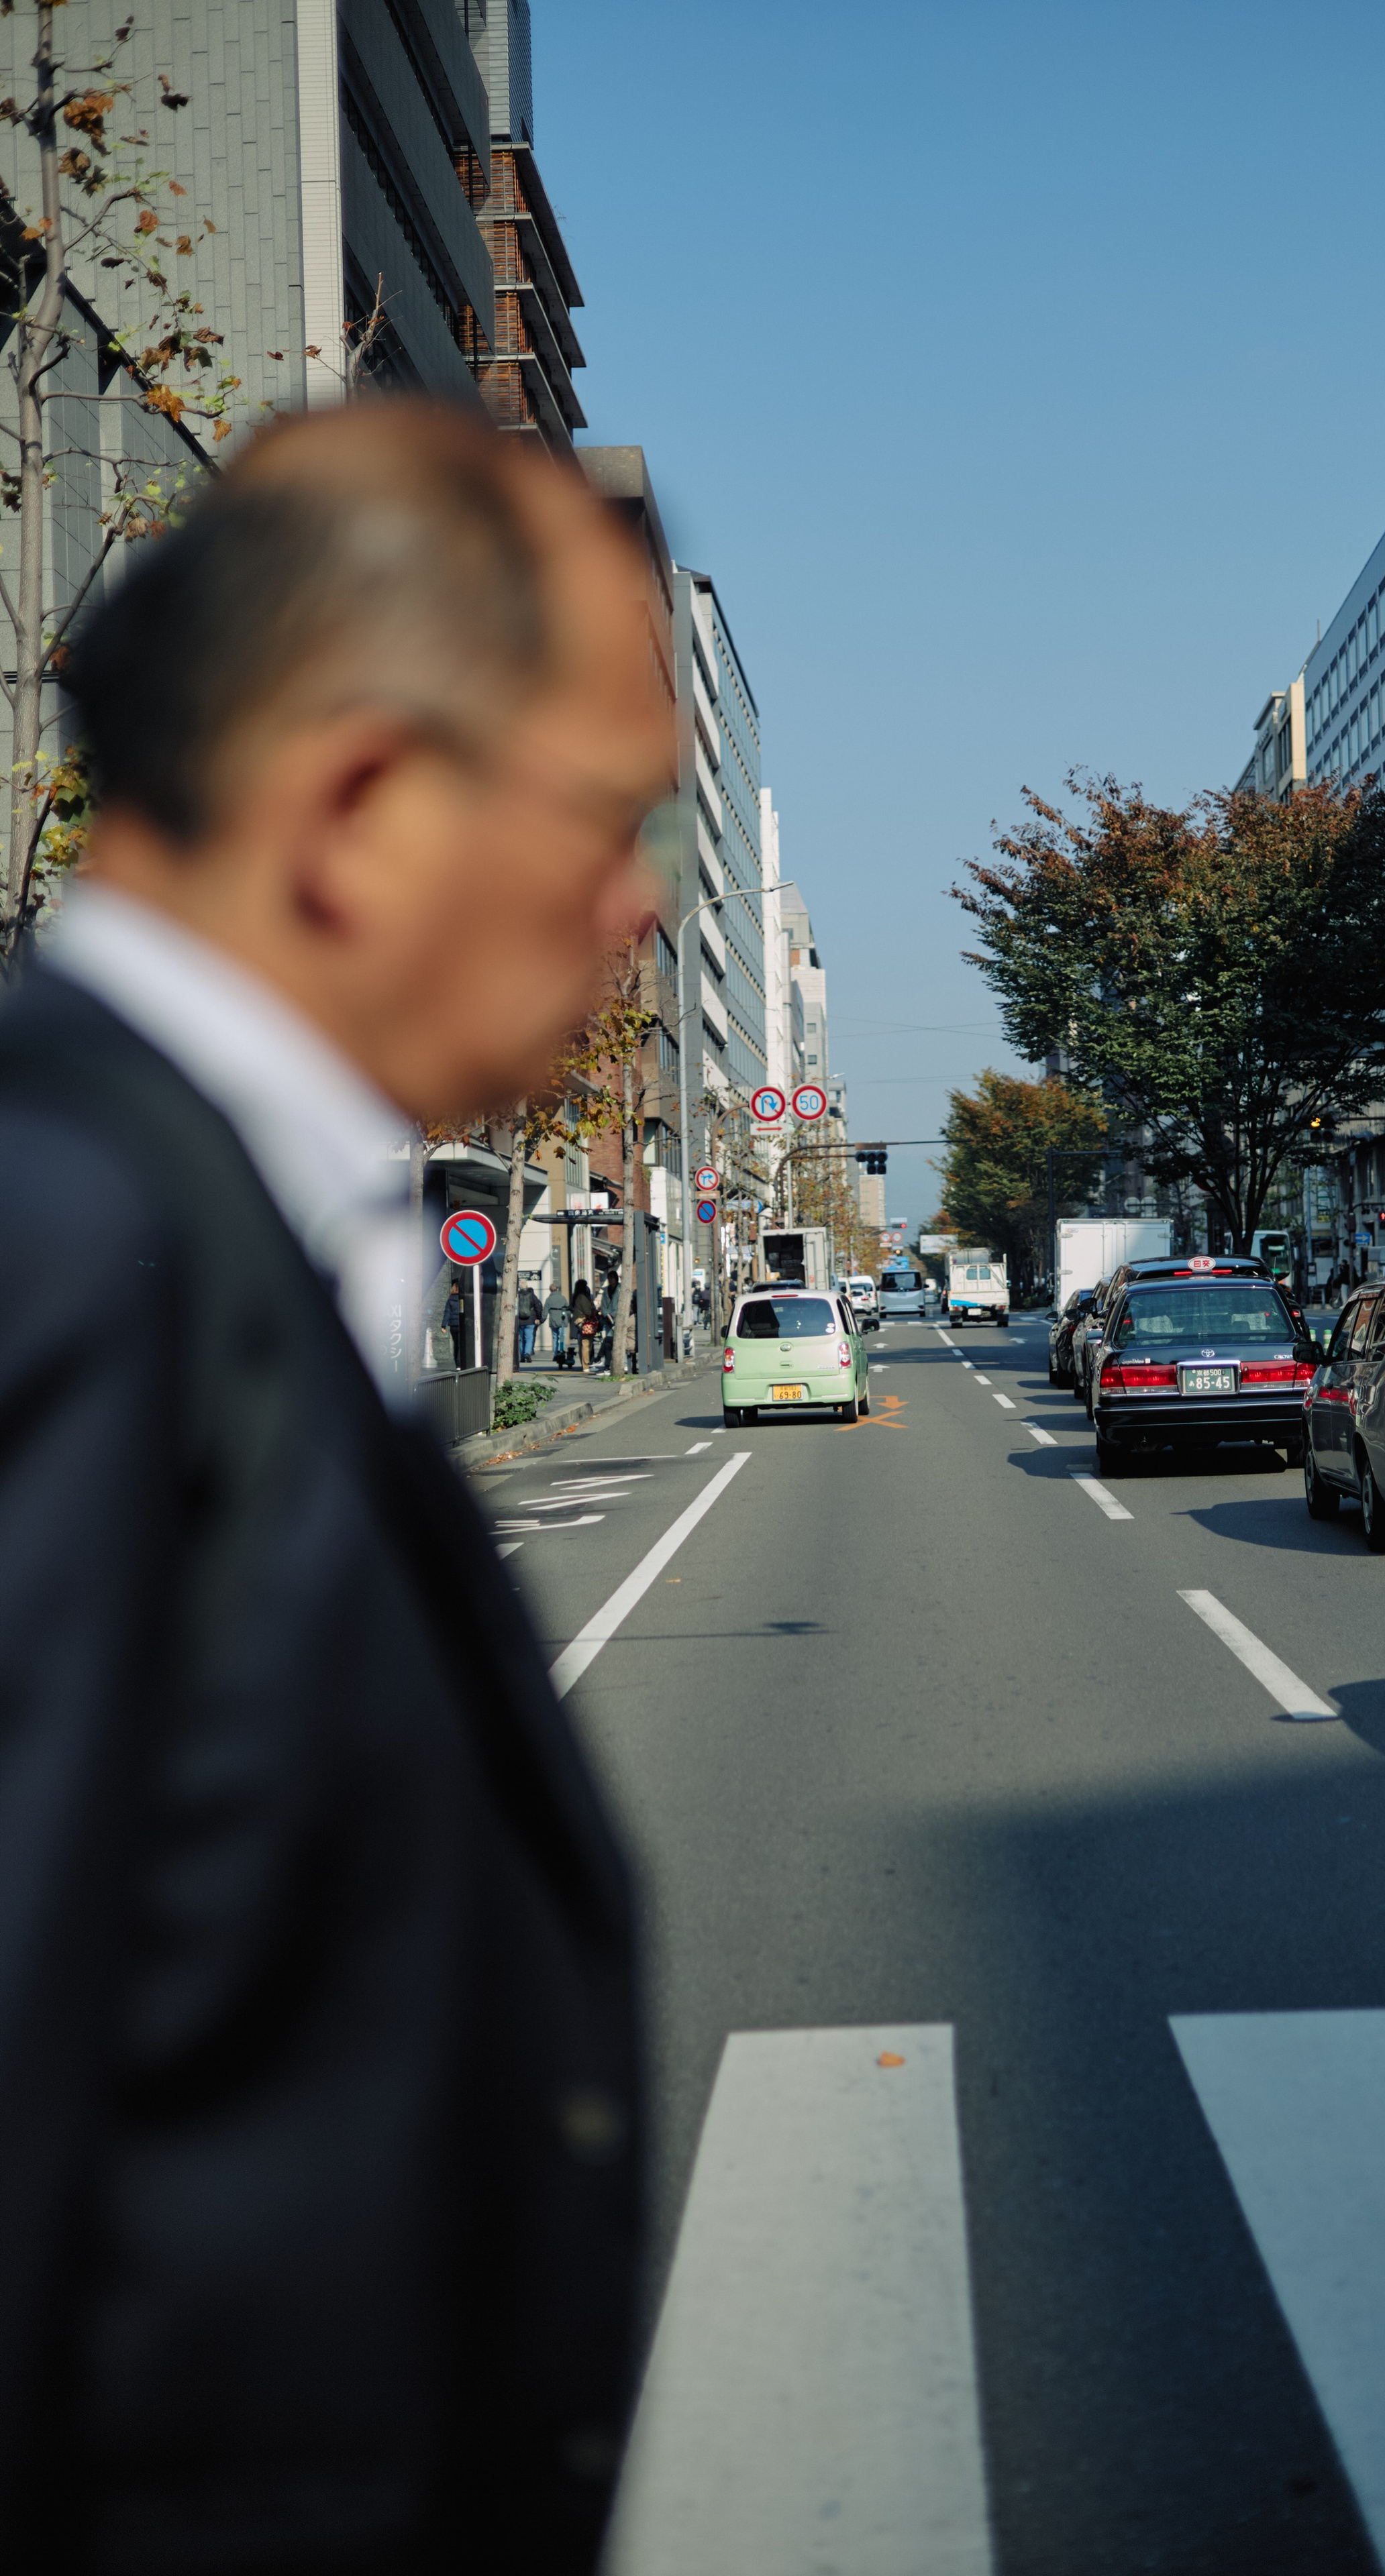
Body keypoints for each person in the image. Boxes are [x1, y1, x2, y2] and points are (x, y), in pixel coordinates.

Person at [0, 404, 676, 2569]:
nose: (639, 901)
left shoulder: (189, 1213)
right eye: (606, 815)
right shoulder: (65, 1246)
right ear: (364, 805)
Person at [571, 1274, 597, 1373]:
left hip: (579, 1321)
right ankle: (587, 1365)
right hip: (584, 1322)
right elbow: (588, 1311)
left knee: (583, 1343)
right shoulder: (583, 1297)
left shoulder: (577, 1296)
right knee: (587, 1344)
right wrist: (592, 1308)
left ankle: (585, 1364)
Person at [517, 1277, 544, 1367]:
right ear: (527, 1286)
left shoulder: (517, 1295)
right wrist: (538, 1318)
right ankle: (527, 1353)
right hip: (530, 1321)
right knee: (529, 1338)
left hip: (520, 1321)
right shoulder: (532, 1295)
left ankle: (521, 1355)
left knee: (521, 1339)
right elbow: (538, 1307)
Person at [545, 1278, 571, 1365]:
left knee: (555, 1337)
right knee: (562, 1336)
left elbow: (545, 1311)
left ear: (550, 1290)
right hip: (562, 1321)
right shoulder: (563, 1298)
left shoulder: (549, 1299)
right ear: (557, 1289)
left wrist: (542, 1319)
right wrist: (568, 1317)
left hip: (553, 1321)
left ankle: (555, 1354)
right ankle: (561, 1351)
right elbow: (568, 1309)